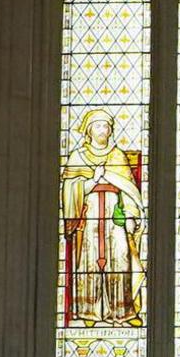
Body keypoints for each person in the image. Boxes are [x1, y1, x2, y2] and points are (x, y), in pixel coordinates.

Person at [60, 108, 145, 327]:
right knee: (89, 261)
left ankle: (123, 311)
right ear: (88, 130)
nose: (102, 130)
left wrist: (130, 215)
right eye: (98, 126)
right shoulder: (78, 156)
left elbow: (129, 190)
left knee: (121, 258)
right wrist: (93, 181)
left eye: (106, 126)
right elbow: (69, 189)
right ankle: (89, 312)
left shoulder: (117, 156)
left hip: (114, 216)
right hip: (89, 216)